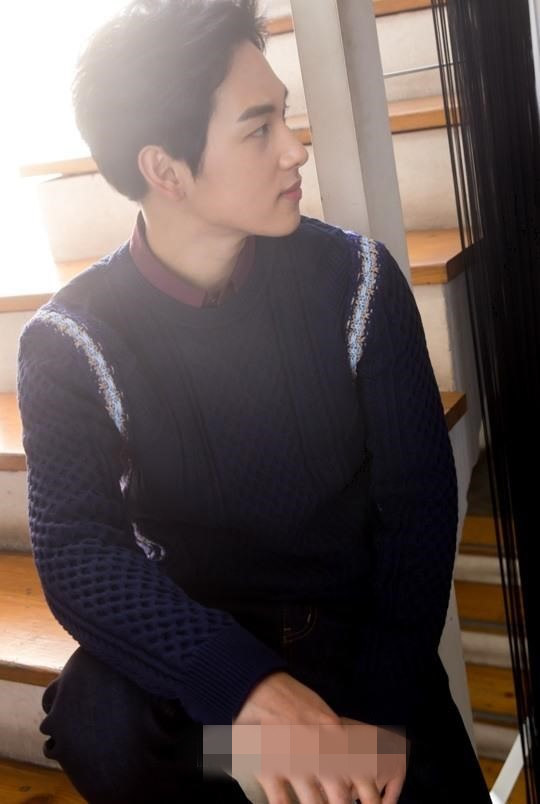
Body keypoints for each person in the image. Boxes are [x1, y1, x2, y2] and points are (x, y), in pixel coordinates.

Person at [17, 0, 493, 802]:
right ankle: (262, 767)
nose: (295, 148)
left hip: (352, 653)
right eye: (258, 128)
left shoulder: (359, 283)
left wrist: (360, 729)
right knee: (99, 719)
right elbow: (75, 550)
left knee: (405, 774)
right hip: (208, 666)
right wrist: (245, 686)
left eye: (285, 116)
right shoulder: (70, 340)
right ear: (166, 170)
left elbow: (416, 509)